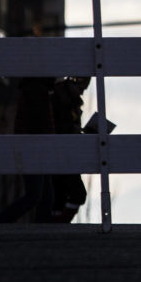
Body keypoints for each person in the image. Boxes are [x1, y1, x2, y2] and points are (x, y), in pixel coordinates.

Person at [0, 77, 56, 223]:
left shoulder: (35, 89)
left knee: (44, 196)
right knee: (36, 195)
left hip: (33, 148)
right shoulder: (38, 90)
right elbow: (40, 124)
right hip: (35, 149)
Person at [50, 76, 91, 223]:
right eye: (80, 89)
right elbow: (61, 130)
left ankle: (55, 225)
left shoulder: (70, 104)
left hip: (67, 155)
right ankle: (58, 224)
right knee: (76, 193)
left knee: (61, 195)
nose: (81, 93)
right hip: (61, 156)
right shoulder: (59, 102)